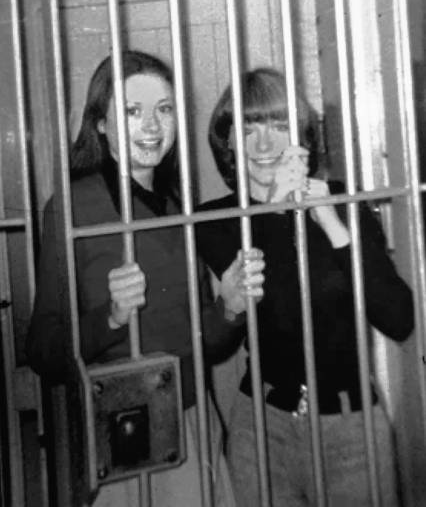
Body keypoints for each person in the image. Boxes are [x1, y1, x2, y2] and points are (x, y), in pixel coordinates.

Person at [26, 50, 265, 507]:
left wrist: (230, 309)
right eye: (132, 111)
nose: (152, 126)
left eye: (164, 109)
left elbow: (203, 345)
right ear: (100, 123)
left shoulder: (178, 206)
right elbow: (42, 351)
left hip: (196, 420)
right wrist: (111, 319)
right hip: (125, 428)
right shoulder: (73, 209)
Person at [195, 67, 414, 507]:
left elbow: (398, 319)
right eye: (249, 129)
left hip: (351, 428)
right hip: (262, 429)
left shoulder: (342, 199)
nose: (264, 145)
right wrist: (276, 210)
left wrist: (331, 221)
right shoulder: (216, 221)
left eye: (279, 127)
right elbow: (227, 337)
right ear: (228, 141)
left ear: (302, 138)